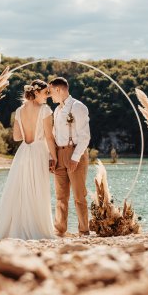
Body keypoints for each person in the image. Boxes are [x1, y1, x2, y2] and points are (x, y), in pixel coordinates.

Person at [0, 80, 57, 242]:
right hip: (39, 151)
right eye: (46, 93)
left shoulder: (19, 111)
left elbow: (17, 137)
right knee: (39, 189)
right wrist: (54, 157)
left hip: (24, 152)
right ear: (37, 93)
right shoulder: (45, 110)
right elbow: (49, 137)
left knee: (22, 190)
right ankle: (38, 229)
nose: (48, 96)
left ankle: (19, 227)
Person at [48, 77, 91, 237]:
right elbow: (53, 134)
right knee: (60, 196)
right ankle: (60, 230)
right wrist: (51, 156)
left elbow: (85, 136)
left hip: (75, 154)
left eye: (51, 91)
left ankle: (84, 231)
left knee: (79, 196)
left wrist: (75, 157)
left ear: (58, 90)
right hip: (58, 155)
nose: (50, 95)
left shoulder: (78, 107)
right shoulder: (57, 110)